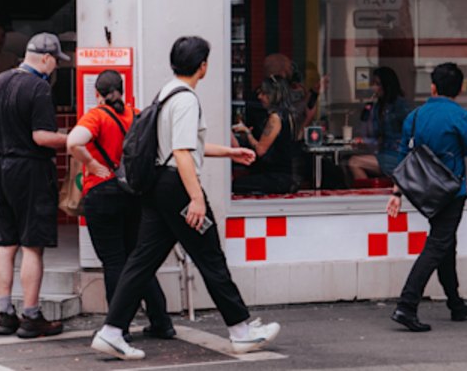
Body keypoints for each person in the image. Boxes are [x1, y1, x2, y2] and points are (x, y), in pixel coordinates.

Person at [90, 36, 281, 361]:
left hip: (158, 187)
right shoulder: (187, 100)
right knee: (210, 257)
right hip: (178, 186)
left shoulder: (166, 93)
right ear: (203, 66)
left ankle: (110, 332)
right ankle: (241, 331)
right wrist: (196, 199)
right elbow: (180, 152)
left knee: (141, 261)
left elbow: (178, 146)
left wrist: (228, 152)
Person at [388, 62, 467, 333]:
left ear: (433, 87)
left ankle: (455, 303)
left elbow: (404, 156)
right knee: (438, 245)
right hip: (451, 193)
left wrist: (396, 194)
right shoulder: (460, 117)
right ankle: (407, 304)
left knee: (446, 244)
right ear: (460, 88)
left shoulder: (414, 116)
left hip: (423, 192)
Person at [66, 70, 175, 340]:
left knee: (114, 261)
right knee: (138, 260)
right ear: (123, 90)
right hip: (134, 193)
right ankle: (161, 320)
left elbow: (73, 141)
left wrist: (92, 164)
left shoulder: (96, 116)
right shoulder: (136, 115)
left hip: (102, 194)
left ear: (97, 93)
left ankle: (119, 326)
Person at [0, 32, 70, 339]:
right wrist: (73, 140)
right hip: (30, 169)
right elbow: (42, 137)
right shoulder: (39, 88)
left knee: (6, 244)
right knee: (33, 245)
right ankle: (31, 316)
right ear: (46, 59)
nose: (55, 67)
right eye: (56, 62)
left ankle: (5, 314)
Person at [231, 76, 297, 195]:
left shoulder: (275, 118)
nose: (259, 97)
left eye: (264, 93)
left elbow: (261, 150)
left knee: (235, 185)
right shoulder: (288, 116)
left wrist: (247, 133)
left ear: (273, 96)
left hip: (276, 178)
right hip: (284, 176)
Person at [347, 67, 410, 181]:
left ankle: (367, 196)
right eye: (373, 84)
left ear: (387, 86)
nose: (374, 88)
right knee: (346, 163)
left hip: (397, 156)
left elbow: (411, 130)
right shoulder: (378, 107)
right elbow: (373, 134)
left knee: (354, 162)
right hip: (384, 153)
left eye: (378, 84)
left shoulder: (400, 106)